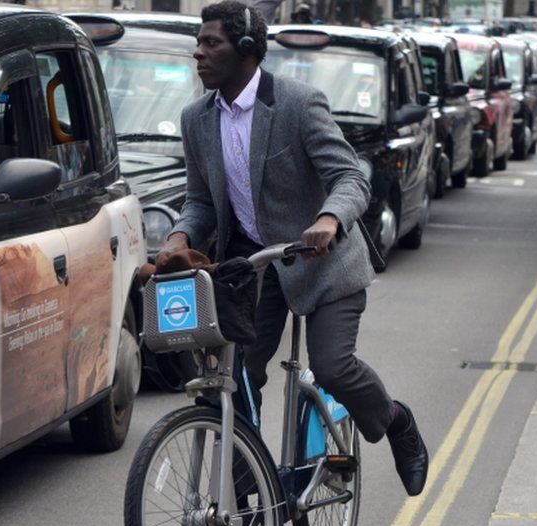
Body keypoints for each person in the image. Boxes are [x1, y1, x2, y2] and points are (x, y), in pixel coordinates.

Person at [159, 1, 429, 497]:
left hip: (322, 265)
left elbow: (349, 177)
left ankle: (395, 422)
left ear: (247, 50)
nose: (198, 53)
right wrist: (180, 236)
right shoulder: (195, 118)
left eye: (210, 43)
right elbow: (200, 201)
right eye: (198, 43)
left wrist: (328, 218)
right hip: (254, 270)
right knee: (234, 380)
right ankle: (243, 501)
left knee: (332, 367)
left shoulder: (298, 103)